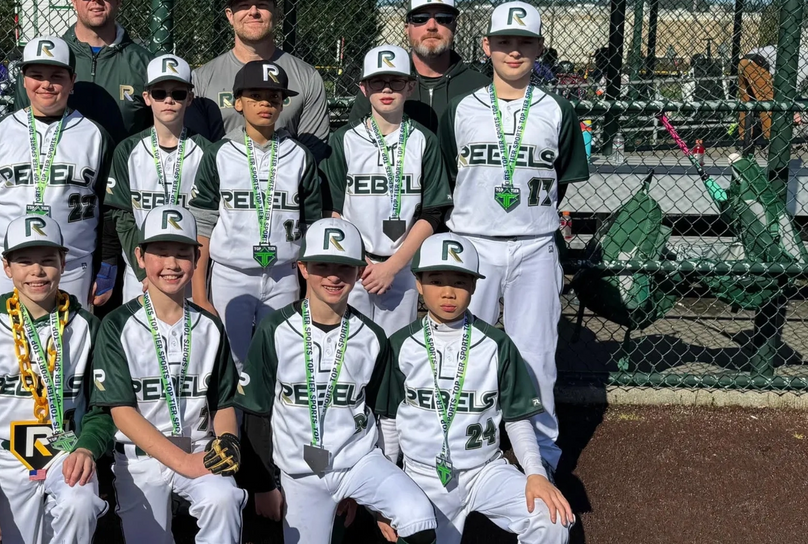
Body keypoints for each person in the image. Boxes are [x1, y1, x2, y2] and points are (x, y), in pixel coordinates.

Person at [436, 2, 590, 476]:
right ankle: (462, 445)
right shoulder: (462, 108)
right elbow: (448, 173)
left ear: (539, 47)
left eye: (524, 42)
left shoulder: (557, 109)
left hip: (535, 242)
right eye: (504, 41)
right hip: (472, 242)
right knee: (463, 348)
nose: (514, 51)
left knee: (536, 353)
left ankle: (540, 456)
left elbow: (561, 179)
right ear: (486, 46)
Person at [234, 218, 438, 544]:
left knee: (418, 518)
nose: (333, 276)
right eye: (322, 265)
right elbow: (256, 412)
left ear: (359, 271)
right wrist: (263, 485)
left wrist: (378, 497)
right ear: (303, 268)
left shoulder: (372, 336)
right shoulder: (275, 329)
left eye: (344, 267)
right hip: (300, 472)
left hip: (359, 463)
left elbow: (381, 415)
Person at [380, 233, 574, 544]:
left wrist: (535, 473)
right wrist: (387, 485)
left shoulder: (496, 344)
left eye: (459, 281)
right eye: (436, 280)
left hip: (485, 470)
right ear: (419, 284)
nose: (448, 292)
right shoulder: (401, 344)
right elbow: (389, 420)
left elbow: (516, 419)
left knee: (550, 519)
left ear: (473, 285)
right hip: (423, 474)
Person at [91, 206, 247, 543]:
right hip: (141, 457)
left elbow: (223, 401)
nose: (172, 264)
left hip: (200, 449)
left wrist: (228, 440)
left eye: (182, 253)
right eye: (160, 252)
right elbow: (121, 411)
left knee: (224, 498)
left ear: (197, 258)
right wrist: (184, 463)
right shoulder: (117, 324)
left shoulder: (209, 325)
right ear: (140, 257)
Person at [0, 216, 111, 544]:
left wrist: (87, 447)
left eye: (47, 260)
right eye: (24, 261)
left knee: (80, 503)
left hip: (67, 449)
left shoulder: (87, 327)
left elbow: (103, 406)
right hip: (8, 456)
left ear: (64, 262)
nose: (37, 271)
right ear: (6, 267)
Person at [0, 36, 118, 314]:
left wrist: (107, 265)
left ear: (72, 81)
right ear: (23, 80)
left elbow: (108, 209)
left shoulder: (95, 135)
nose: (46, 84)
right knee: (8, 339)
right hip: (7, 264)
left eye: (56, 76)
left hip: (73, 264)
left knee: (70, 339)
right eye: (37, 75)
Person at [189, 60, 323, 366]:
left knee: (280, 360)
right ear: (237, 102)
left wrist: (310, 290)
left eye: (274, 97)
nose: (266, 103)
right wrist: (199, 294)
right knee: (230, 361)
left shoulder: (299, 155)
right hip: (230, 274)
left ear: (283, 104)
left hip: (283, 274)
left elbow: (312, 226)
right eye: (256, 96)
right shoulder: (219, 153)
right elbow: (203, 226)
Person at [321, 45, 452, 330]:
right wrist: (357, 261)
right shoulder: (344, 139)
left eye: (396, 81)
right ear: (363, 88)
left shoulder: (424, 140)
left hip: (402, 268)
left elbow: (432, 212)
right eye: (377, 81)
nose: (387, 89)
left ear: (410, 86)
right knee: (350, 344)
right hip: (352, 264)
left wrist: (392, 267)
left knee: (395, 346)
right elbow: (332, 208)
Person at [187, 0, 330, 157]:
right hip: (221, 175)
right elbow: (197, 153)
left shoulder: (307, 77)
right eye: (243, 5)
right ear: (230, 15)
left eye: (262, 5)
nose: (253, 11)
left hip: (286, 175)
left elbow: (312, 154)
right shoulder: (201, 78)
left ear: (276, 13)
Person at [11, 0, 152, 142]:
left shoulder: (145, 63)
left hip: (122, 161)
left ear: (119, 0)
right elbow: (21, 130)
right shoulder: (47, 60)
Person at [105, 54, 210, 302]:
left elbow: (209, 221)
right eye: (160, 93)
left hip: (189, 271)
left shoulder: (207, 151)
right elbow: (123, 216)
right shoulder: (127, 150)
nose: (169, 100)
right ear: (147, 97)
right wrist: (143, 270)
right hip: (141, 273)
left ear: (190, 98)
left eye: (178, 94)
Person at [346, 0, 488, 134]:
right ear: (407, 28)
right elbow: (353, 139)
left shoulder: (480, 87)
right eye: (420, 18)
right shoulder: (379, 83)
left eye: (443, 18)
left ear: (454, 26)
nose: (432, 26)